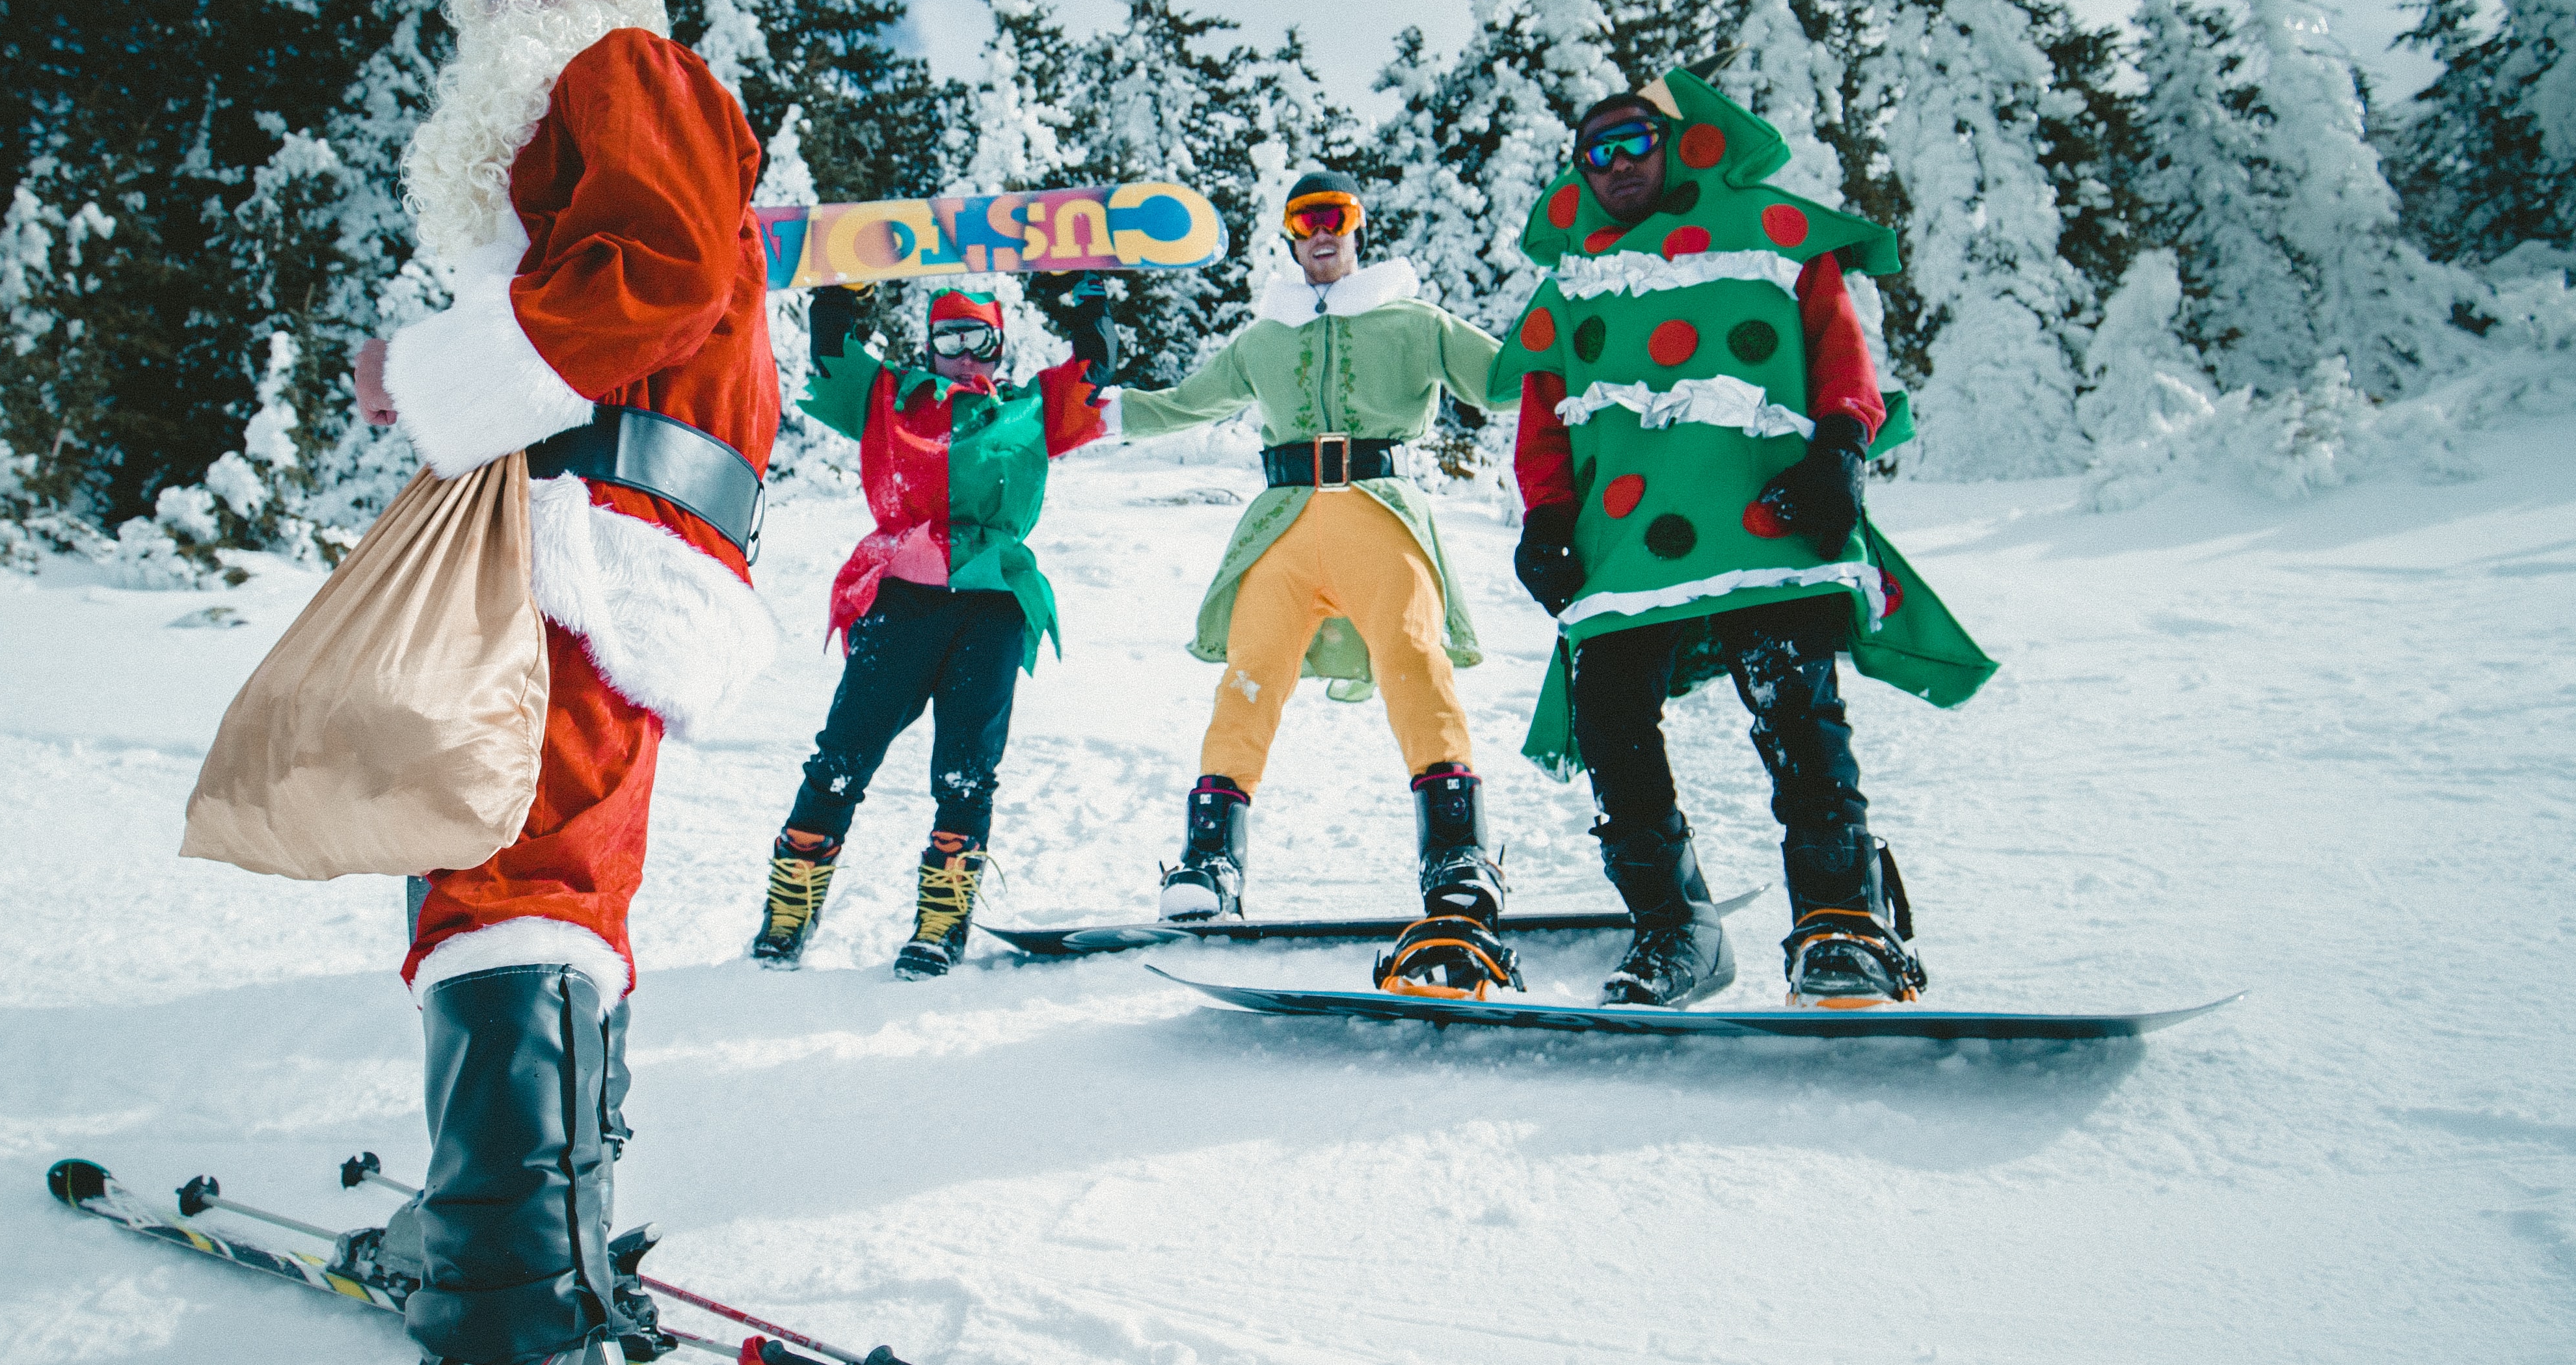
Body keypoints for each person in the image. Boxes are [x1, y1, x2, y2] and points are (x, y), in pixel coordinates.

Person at [266, 0, 775, 1365]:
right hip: (596, 538)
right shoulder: (574, 121)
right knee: (534, 901)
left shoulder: (625, 71)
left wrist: (424, 372)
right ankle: (534, 1277)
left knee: (500, 896)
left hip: (584, 540)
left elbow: (647, 276)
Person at [1501, 68, 1975, 1008]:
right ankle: (1675, 933)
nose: (1615, 163)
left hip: (1765, 519)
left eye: (1633, 139)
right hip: (1626, 543)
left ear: (1676, 145)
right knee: (1610, 723)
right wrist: (1546, 516)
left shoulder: (1770, 231)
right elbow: (1543, 411)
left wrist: (1841, 444)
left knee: (1795, 708)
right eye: (1594, 151)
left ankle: (1843, 926)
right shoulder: (1573, 285)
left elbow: (1836, 344)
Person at [1118, 171, 1516, 980]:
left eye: (1336, 216)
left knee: (1414, 663)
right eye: (1306, 221)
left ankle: (1456, 860)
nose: (1323, 232)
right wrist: (1085, 401)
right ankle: (1209, 866)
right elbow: (1180, 404)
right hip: (1282, 525)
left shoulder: (1415, 321)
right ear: (1290, 237)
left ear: (1357, 226)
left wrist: (1579, 333)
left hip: (1379, 511)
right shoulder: (1261, 339)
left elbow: (1508, 381)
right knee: (1248, 679)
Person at [751, 275, 1120, 977]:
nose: (961, 353)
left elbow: (1093, 375)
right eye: (947, 338)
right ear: (929, 345)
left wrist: (1090, 299)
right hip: (901, 597)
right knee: (841, 759)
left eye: (975, 337)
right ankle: (789, 912)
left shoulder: (1030, 408)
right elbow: (831, 356)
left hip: (992, 603)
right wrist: (839, 287)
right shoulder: (890, 398)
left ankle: (940, 923)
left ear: (999, 343)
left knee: (966, 770)